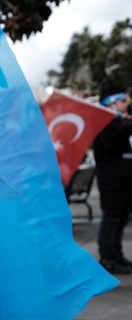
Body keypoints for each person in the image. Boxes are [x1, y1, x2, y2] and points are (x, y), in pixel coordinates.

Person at [93, 82, 132, 275]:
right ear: (112, 104)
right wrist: (125, 124)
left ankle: (117, 255)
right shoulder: (104, 122)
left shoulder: (118, 121)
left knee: (121, 218)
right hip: (112, 182)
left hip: (124, 180)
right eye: (124, 100)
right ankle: (107, 257)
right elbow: (111, 145)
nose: (128, 103)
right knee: (112, 219)